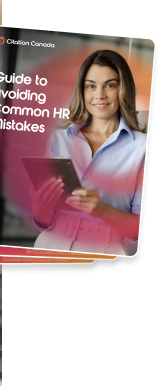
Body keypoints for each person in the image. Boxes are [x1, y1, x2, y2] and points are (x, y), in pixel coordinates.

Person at [29, 49, 147, 255]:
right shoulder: (59, 140)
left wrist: (103, 211)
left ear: (123, 89)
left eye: (110, 85)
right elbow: (44, 221)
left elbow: (137, 230)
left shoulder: (141, 148)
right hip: (50, 247)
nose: (99, 95)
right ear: (82, 91)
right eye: (91, 86)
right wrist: (39, 210)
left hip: (105, 252)